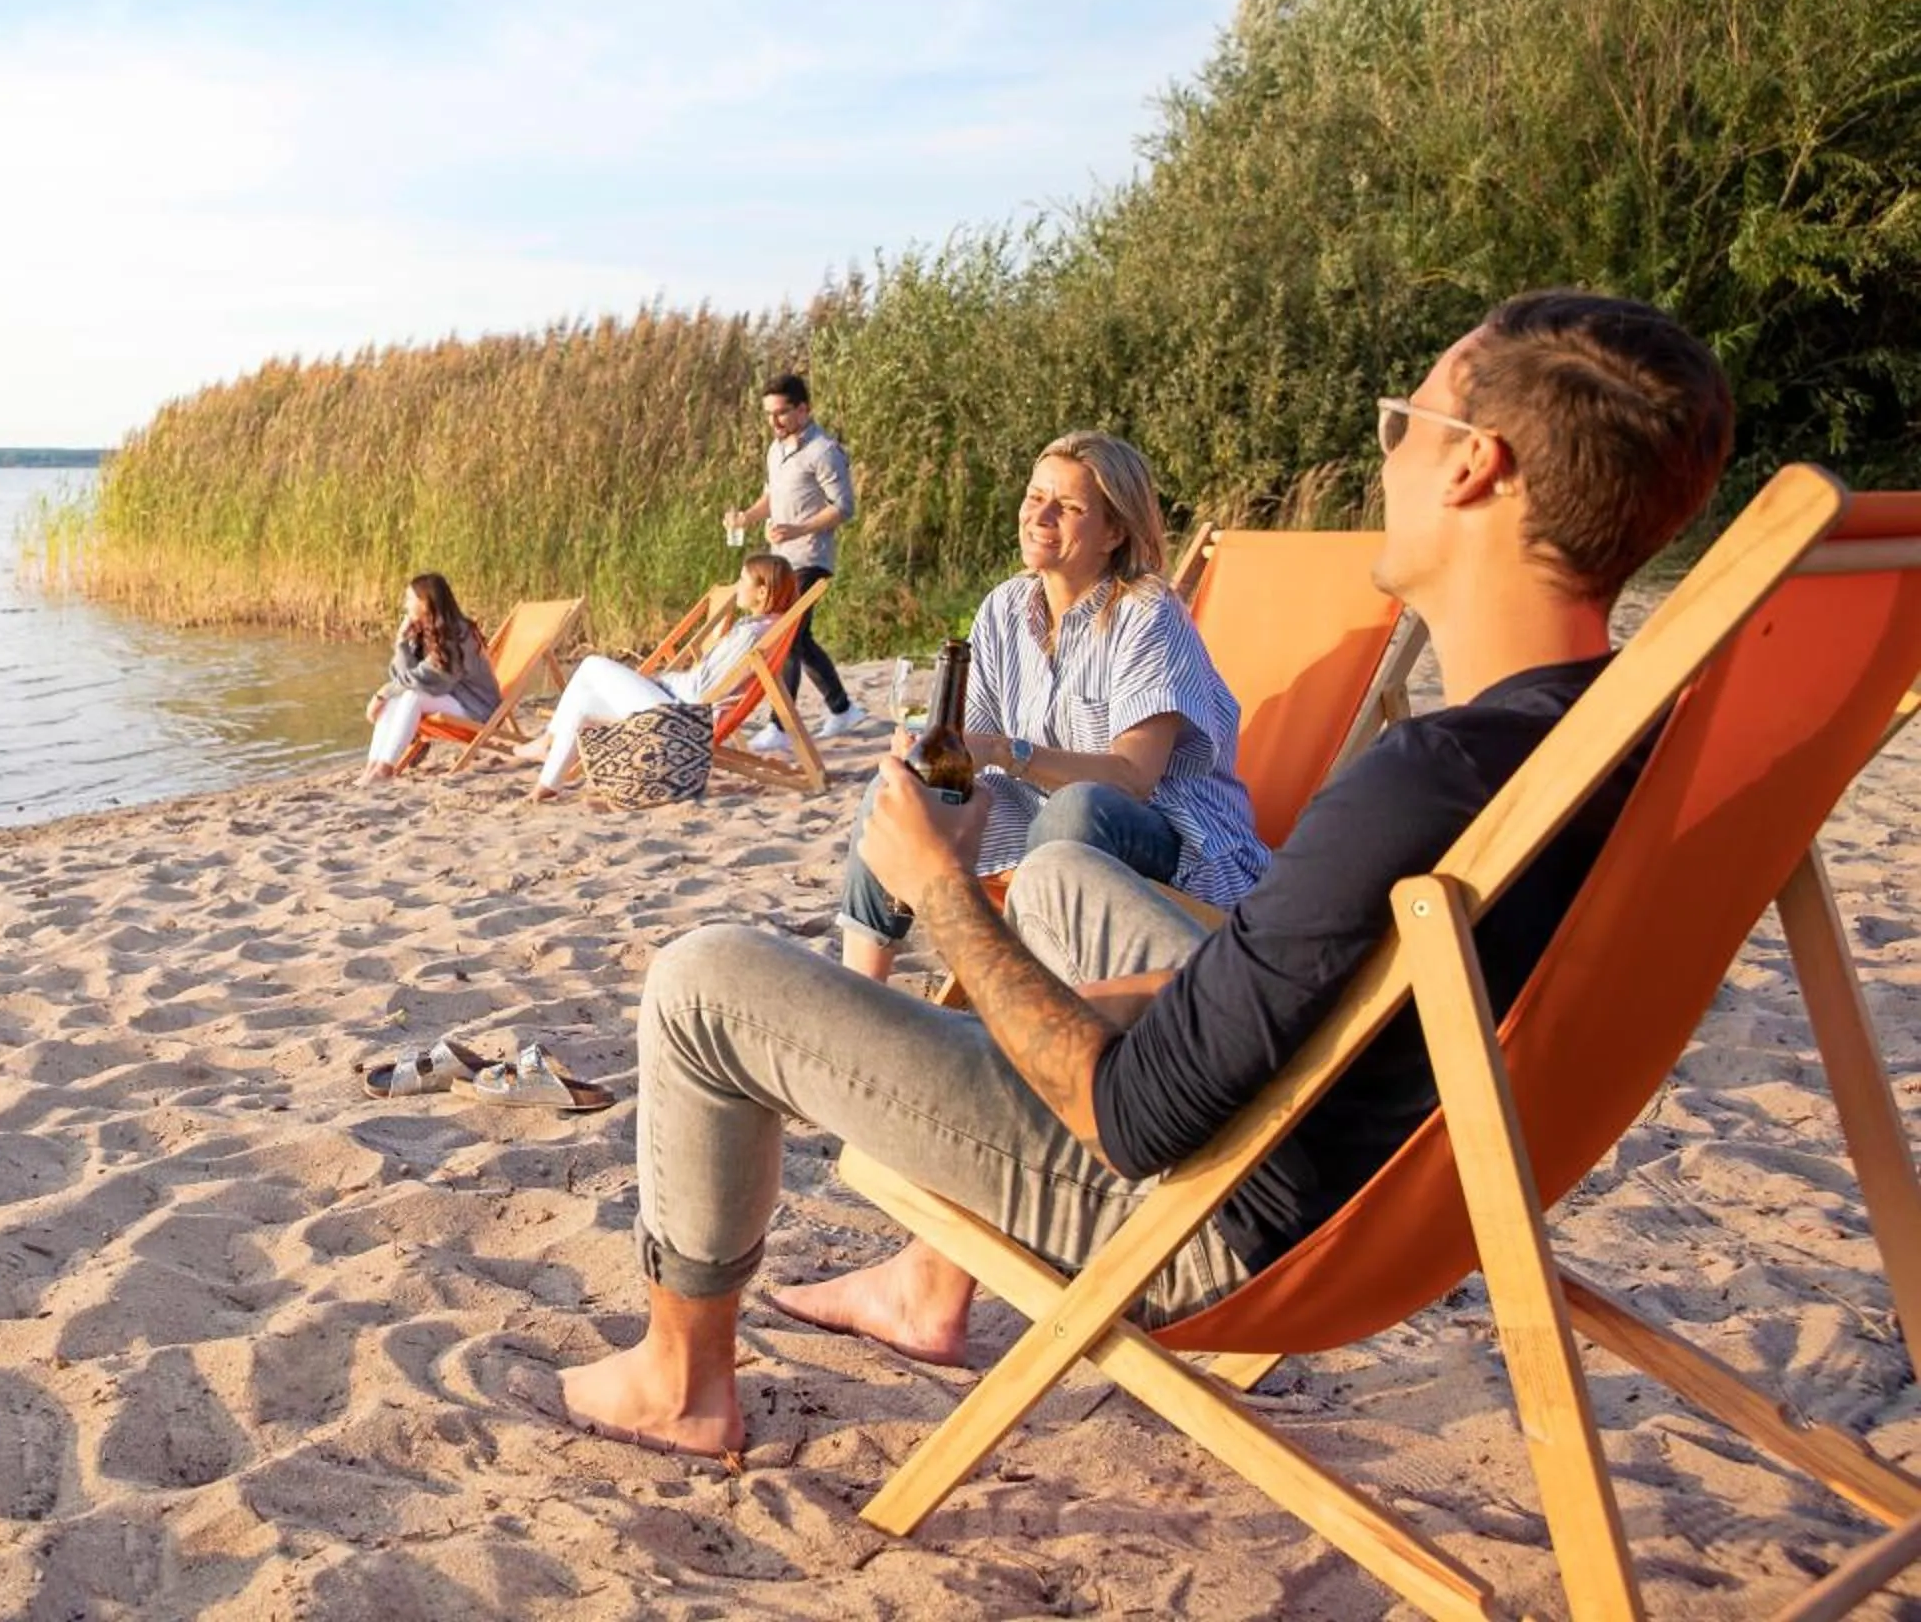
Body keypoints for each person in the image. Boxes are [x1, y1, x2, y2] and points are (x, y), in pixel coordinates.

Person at [557, 290, 1735, 1458]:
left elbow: (1134, 1111)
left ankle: (680, 1377)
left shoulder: (1422, 780)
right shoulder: (1618, 739)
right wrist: (1080, 975)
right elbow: (1278, 1003)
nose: (1387, 454)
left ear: (1473, 467)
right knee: (1063, 883)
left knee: (705, 975)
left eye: (1398, 423)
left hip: (1217, 1216)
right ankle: (927, 1284)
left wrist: (947, 895)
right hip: (1366, 1170)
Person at [835, 431, 1265, 981]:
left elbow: (1133, 777)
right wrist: (932, 762)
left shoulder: (1147, 616)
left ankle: (1033, 1001)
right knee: (897, 790)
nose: (1041, 517)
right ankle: (861, 988)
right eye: (1036, 498)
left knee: (1076, 808)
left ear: (1113, 531)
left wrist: (1002, 751)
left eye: (1069, 507)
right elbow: (971, 758)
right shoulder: (1005, 608)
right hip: (1035, 817)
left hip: (1165, 832)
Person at [518, 554, 800, 800]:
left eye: (743, 579)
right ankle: (546, 786)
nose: (738, 586)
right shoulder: (766, 629)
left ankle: (547, 741)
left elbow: (703, 688)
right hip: (681, 706)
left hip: (682, 717)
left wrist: (664, 681)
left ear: (762, 592)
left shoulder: (750, 634)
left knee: (592, 664)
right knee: (585, 702)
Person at [729, 374, 863, 742]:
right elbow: (771, 496)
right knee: (797, 638)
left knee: (785, 635)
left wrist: (798, 529)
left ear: (804, 409)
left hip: (811, 557)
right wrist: (746, 517)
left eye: (782, 413)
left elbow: (844, 507)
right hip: (781, 560)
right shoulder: (777, 449)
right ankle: (842, 708)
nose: (774, 422)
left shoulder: (824, 450)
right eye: (769, 414)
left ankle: (780, 725)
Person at [360, 573, 499, 787]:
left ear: (425, 602)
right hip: (451, 700)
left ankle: (385, 769)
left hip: (477, 709)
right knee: (398, 698)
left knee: (411, 696)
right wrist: (402, 644)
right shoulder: (426, 630)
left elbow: (435, 679)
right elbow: (403, 677)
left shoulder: (458, 633)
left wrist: (382, 694)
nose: (405, 605)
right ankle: (373, 767)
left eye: (409, 599)